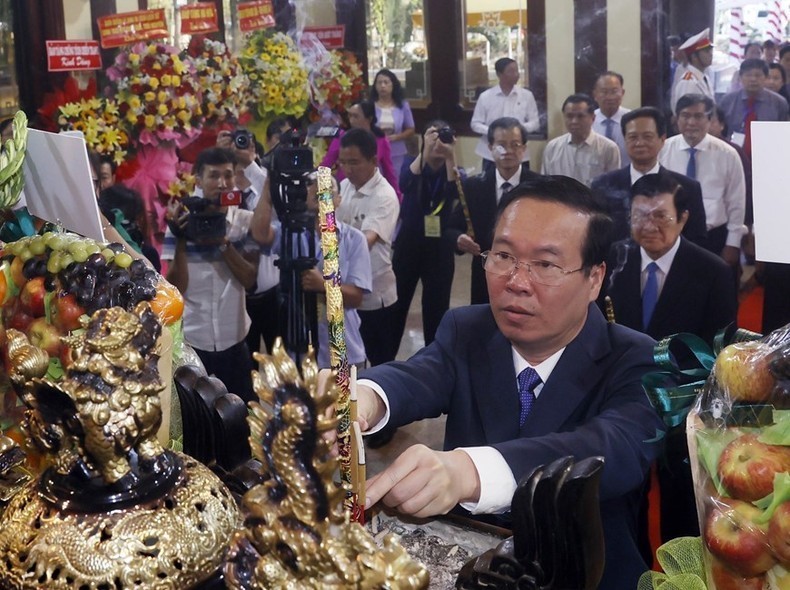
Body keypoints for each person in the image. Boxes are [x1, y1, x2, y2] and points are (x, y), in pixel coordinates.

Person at [355, 176, 665, 590]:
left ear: (593, 278)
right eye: (502, 255)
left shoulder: (637, 358)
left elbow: (611, 448)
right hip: (472, 564)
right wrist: (365, 397)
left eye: (546, 264)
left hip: (586, 573)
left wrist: (469, 471)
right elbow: (420, 374)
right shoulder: (468, 328)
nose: (516, 281)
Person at [598, 173, 736, 550]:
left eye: (661, 216)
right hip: (622, 403)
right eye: (640, 216)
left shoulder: (712, 272)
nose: (649, 226)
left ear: (684, 218)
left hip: (684, 409)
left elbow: (721, 354)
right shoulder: (612, 260)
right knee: (625, 501)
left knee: (681, 506)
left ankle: (680, 571)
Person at [163, 147, 259, 402]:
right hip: (194, 340)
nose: (222, 183)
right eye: (214, 176)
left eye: (228, 175)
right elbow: (175, 289)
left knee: (243, 417)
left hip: (234, 338)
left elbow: (250, 279)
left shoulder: (244, 221)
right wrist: (182, 241)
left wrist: (223, 243)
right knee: (199, 422)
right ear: (199, 181)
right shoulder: (181, 224)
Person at [252, 174, 372, 369]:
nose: (321, 191)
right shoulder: (290, 234)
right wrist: (268, 188)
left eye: (328, 189)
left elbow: (356, 297)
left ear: (338, 200)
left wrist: (324, 285)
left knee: (346, 400)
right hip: (300, 352)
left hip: (342, 351)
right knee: (300, 401)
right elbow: (260, 234)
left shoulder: (354, 239)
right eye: (314, 187)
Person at [448, 117, 540, 305]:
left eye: (515, 145)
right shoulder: (474, 186)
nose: (508, 151)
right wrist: (459, 239)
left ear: (524, 148)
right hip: (485, 274)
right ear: (490, 147)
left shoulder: (539, 187)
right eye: (501, 145)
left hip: (527, 273)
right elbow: (451, 228)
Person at [590, 106, 707, 246]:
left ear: (662, 139)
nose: (640, 143)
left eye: (647, 137)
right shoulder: (603, 185)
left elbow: (696, 239)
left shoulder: (687, 188)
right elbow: (596, 238)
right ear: (625, 140)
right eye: (633, 137)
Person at [392, 121, 461, 348]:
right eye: (435, 136)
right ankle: (387, 355)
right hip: (409, 243)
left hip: (439, 246)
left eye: (444, 137)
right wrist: (424, 151)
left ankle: (434, 358)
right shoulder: (410, 164)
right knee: (398, 302)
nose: (439, 143)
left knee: (436, 307)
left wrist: (451, 156)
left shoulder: (453, 170)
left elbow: (455, 194)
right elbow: (405, 183)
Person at [335, 128, 400, 366]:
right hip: (347, 294)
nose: (348, 169)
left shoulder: (385, 196)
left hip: (375, 300)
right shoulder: (343, 187)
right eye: (343, 162)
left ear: (374, 161)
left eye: (354, 162)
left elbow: (364, 242)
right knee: (350, 366)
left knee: (381, 368)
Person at [659, 94, 745, 268]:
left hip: (713, 236)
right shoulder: (663, 150)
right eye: (685, 116)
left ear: (709, 119)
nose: (691, 122)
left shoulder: (727, 154)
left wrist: (733, 243)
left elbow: (736, 201)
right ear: (676, 119)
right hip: (672, 235)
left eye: (698, 116)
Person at [321, 100, 401, 201]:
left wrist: (397, 198)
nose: (351, 120)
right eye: (350, 116)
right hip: (343, 193)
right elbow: (325, 166)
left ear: (369, 119)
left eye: (356, 116)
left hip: (371, 193)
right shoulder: (342, 137)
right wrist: (323, 200)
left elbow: (389, 172)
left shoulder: (381, 140)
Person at [470, 57, 540, 173]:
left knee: (521, 188)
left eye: (517, 70)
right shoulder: (486, 97)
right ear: (499, 74)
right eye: (511, 71)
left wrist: (518, 130)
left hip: (519, 154)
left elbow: (535, 122)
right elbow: (475, 123)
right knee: (491, 187)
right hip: (491, 154)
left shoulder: (527, 95)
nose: (516, 74)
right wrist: (493, 132)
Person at [542, 93, 620, 186]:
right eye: (569, 116)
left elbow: (613, 187)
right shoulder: (552, 147)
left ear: (593, 118)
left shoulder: (608, 148)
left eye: (580, 116)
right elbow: (545, 184)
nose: (574, 121)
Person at [718, 58, 789, 159]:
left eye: (758, 75)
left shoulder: (779, 102)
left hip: (768, 155)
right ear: (740, 77)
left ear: (766, 77)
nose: (753, 79)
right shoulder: (727, 101)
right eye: (748, 75)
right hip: (733, 155)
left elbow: (783, 134)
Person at [369, 68, 415, 177]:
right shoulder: (369, 106)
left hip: (396, 152)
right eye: (379, 83)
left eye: (386, 82)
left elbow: (411, 129)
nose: (383, 86)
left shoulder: (402, 105)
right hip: (374, 152)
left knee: (395, 184)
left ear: (393, 85)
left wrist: (397, 137)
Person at [592, 71, 631, 165]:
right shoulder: (588, 121)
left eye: (614, 91)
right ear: (595, 95)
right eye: (604, 92)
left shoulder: (633, 120)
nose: (609, 97)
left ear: (622, 93)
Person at [671, 28, 714, 111]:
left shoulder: (705, 78)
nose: (710, 54)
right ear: (694, 57)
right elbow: (686, 114)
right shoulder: (688, 82)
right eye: (706, 51)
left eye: (710, 50)